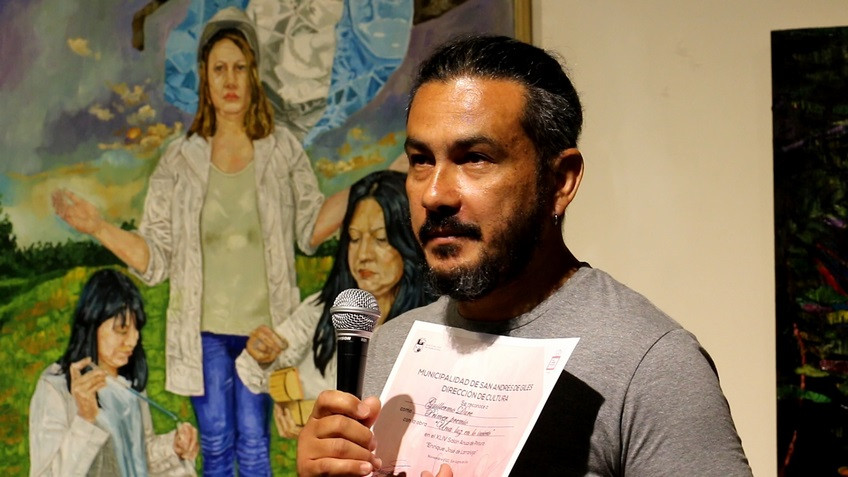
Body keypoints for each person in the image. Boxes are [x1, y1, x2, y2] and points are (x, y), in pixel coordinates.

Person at [295, 35, 754, 477]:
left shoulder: (650, 364)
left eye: (474, 158)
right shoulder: (391, 346)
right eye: (421, 160)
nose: (434, 194)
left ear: (560, 181)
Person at [51, 7, 347, 476]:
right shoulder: (179, 161)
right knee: (216, 444)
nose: (230, 80)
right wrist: (98, 227)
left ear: (253, 75)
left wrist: (367, 189)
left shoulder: (282, 150)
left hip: (265, 334)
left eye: (240, 68)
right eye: (218, 69)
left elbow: (309, 230)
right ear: (204, 80)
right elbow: (156, 258)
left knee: (255, 444)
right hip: (204, 335)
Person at [235, 170, 434, 437]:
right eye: (354, 239)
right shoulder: (326, 309)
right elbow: (254, 373)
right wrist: (262, 354)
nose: (363, 255)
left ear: (408, 241)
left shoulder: (431, 325)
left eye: (380, 239)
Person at [29, 268, 199, 476]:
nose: (133, 341)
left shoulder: (129, 383)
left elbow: (138, 456)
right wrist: (84, 419)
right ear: (93, 323)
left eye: (136, 329)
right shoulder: (56, 387)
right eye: (122, 330)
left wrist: (173, 447)